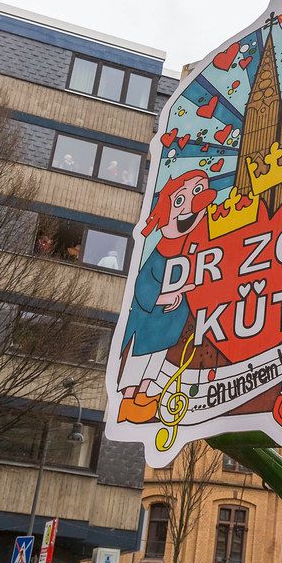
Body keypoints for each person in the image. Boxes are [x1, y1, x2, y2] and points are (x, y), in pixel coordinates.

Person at [117, 169, 215, 423]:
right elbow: (143, 286)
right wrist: (161, 299)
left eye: (198, 192)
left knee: (156, 361)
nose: (191, 205)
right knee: (139, 360)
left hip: (168, 327)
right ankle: (128, 401)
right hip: (148, 325)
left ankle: (144, 395)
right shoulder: (159, 253)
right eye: (180, 200)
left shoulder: (191, 250)